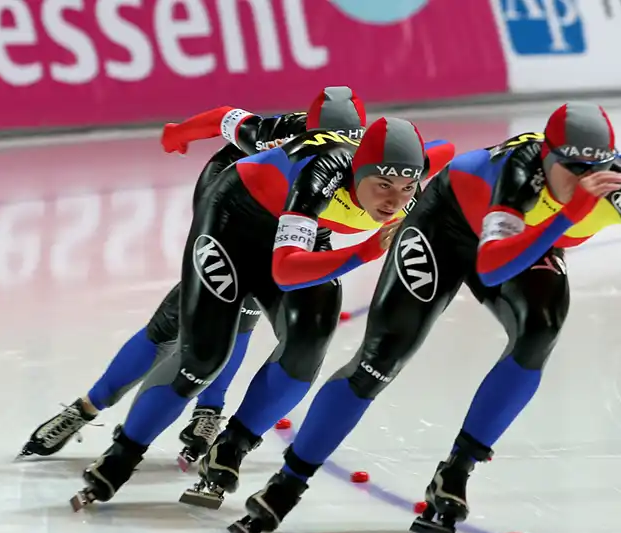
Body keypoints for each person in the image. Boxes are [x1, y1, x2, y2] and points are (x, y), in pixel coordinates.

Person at [224, 102, 621, 533]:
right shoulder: (520, 177)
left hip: (522, 240)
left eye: (594, 168)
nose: (583, 179)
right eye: (571, 167)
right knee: (382, 357)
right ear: (547, 156)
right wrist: (570, 214)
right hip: (444, 225)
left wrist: (579, 205)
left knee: (539, 332)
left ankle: (456, 471)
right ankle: (288, 483)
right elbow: (491, 267)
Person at [70, 116, 456, 510]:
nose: (393, 200)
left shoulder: (409, 184)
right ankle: (121, 456)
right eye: (383, 187)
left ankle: (233, 446)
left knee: (308, 345)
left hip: (301, 230)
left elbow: (447, 154)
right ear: (358, 170)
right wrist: (365, 251)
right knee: (204, 359)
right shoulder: (323, 172)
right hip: (234, 222)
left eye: (406, 188)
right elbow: (286, 272)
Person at [19, 87, 367, 471]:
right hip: (235, 205)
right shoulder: (278, 132)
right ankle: (88, 406)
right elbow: (225, 117)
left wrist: (177, 134)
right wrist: (177, 132)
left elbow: (222, 115)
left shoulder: (366, 161)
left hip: (292, 220)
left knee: (242, 312)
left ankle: (208, 409)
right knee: (186, 317)